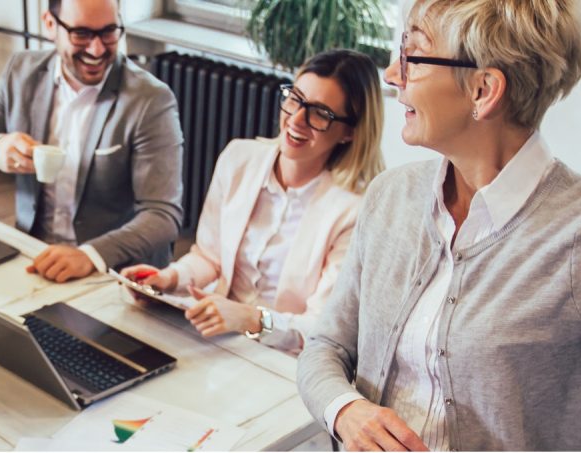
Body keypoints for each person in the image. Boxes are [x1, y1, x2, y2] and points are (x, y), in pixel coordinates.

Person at [296, 0, 581, 450]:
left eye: (412, 55)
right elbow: (325, 347)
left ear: (483, 90)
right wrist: (346, 411)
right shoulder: (390, 196)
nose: (391, 73)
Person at [118, 49, 385, 352]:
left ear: (349, 132)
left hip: (284, 357)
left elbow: (322, 329)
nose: (296, 119)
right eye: (294, 99)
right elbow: (209, 257)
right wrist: (169, 277)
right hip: (213, 336)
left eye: (320, 113)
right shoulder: (239, 158)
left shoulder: (354, 210)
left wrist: (250, 318)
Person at [0, 0, 184, 283]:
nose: (97, 50)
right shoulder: (21, 73)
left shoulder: (150, 99)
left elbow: (162, 215)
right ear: (50, 25)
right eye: (81, 34)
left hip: (112, 270)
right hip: (34, 256)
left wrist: (90, 255)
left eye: (109, 32)